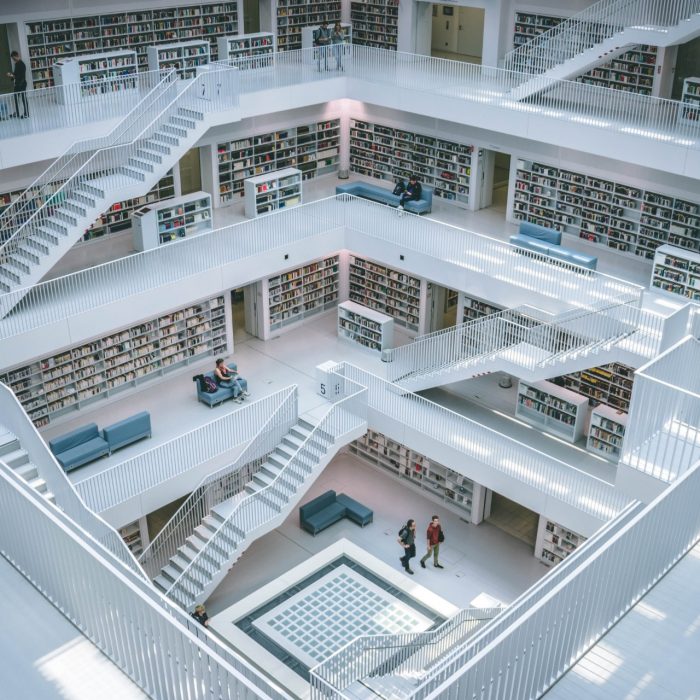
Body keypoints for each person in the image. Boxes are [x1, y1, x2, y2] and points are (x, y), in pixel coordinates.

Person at [6, 51, 29, 119]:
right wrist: (12, 76)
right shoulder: (17, 64)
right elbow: (16, 74)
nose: (13, 60)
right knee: (16, 99)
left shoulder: (21, 64)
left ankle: (26, 113)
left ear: (17, 56)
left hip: (21, 84)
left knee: (23, 99)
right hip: (18, 84)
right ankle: (17, 113)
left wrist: (12, 75)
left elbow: (20, 76)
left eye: (14, 58)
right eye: (13, 58)